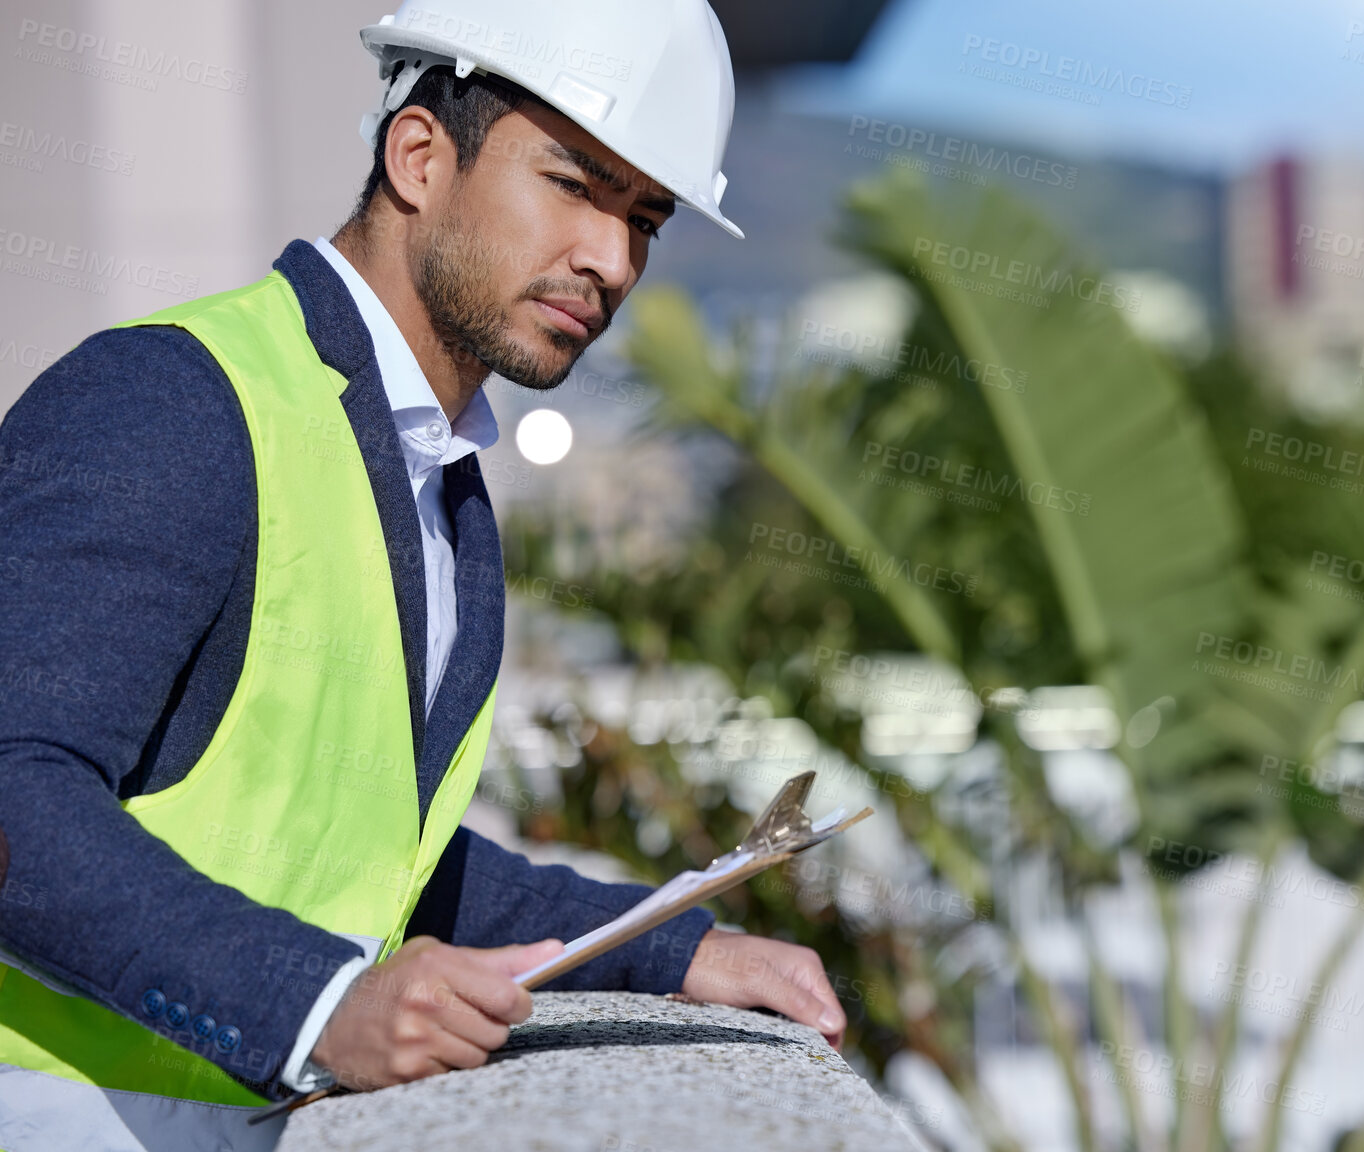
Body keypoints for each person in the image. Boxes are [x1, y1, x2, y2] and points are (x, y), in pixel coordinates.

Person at [0, 2, 842, 1148]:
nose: (612, 258)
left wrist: (670, 943)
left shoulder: (437, 481)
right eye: (574, 184)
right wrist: (312, 1002)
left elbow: (365, 857)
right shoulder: (176, 400)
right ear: (417, 155)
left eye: (644, 217)